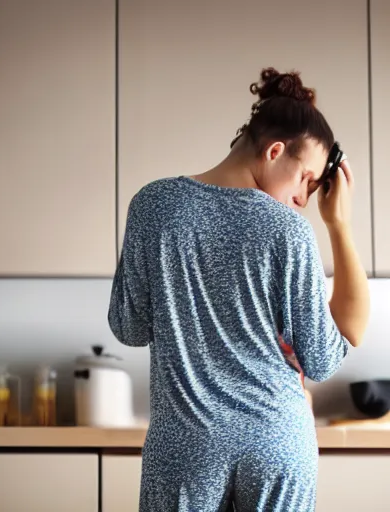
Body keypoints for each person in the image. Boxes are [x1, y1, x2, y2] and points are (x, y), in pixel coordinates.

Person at [108, 67, 370, 512]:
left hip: (184, 449)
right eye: (307, 179)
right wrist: (338, 223)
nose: (306, 198)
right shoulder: (291, 232)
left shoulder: (153, 204)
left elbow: (128, 328)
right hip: (277, 444)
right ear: (274, 151)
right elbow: (323, 360)